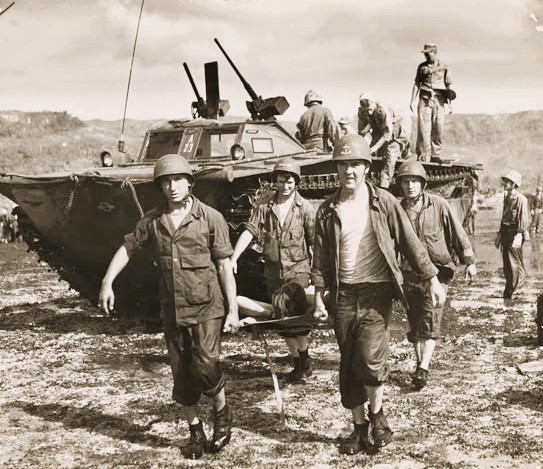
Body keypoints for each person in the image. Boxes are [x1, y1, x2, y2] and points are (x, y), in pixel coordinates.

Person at [98, 154, 239, 460]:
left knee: (206, 366)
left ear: (189, 183)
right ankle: (195, 431)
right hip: (173, 308)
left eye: (178, 180)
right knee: (182, 375)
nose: (172, 187)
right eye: (166, 182)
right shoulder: (153, 220)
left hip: (207, 307)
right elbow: (128, 247)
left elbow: (224, 266)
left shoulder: (210, 218)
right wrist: (107, 282)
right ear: (160, 187)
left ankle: (222, 414)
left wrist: (233, 310)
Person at [311, 134, 446, 454]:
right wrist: (318, 297)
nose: (349, 171)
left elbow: (410, 242)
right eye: (343, 164)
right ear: (336, 168)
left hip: (376, 293)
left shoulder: (384, 202)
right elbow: (320, 258)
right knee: (349, 364)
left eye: (356, 164)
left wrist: (432, 279)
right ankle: (359, 428)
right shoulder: (327, 209)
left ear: (366, 168)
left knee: (371, 361)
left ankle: (378, 416)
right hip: (344, 295)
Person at [231, 158, 316, 383]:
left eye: (289, 182)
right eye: (281, 181)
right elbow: (250, 231)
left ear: (296, 183)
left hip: (298, 271)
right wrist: (234, 257)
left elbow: (315, 242)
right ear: (275, 181)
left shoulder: (305, 208)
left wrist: (319, 273)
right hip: (273, 273)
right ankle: (300, 360)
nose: (285, 186)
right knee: (282, 319)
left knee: (294, 317)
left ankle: (302, 359)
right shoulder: (264, 206)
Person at [396, 161, 477, 389]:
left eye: (415, 181)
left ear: (423, 183)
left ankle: (423, 368)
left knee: (431, 319)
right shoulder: (397, 210)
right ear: (400, 184)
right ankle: (419, 363)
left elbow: (458, 233)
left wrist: (469, 261)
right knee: (415, 323)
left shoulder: (439, 205)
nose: (410, 185)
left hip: (439, 273)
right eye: (406, 181)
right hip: (409, 274)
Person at [409, 43, 454, 162]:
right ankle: (422, 155)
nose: (426, 56)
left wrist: (450, 104)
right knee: (423, 128)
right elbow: (417, 84)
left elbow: (448, 86)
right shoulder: (422, 67)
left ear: (434, 53)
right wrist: (412, 100)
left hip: (439, 100)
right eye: (425, 54)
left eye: (428, 54)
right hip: (425, 99)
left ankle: (435, 155)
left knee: (438, 128)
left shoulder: (444, 66)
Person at [357, 91, 409, 189]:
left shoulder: (382, 109)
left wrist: (375, 147)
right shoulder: (362, 111)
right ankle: (367, 182)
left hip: (395, 129)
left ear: (373, 103)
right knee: (371, 154)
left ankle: (384, 187)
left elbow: (387, 133)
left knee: (389, 156)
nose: (368, 112)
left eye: (370, 109)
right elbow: (361, 132)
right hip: (379, 128)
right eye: (366, 110)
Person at [495, 170, 530, 300]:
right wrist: (499, 234)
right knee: (507, 264)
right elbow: (504, 217)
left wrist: (519, 235)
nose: (505, 183)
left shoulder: (521, 199)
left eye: (508, 181)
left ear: (514, 184)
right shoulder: (507, 197)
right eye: (505, 181)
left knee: (514, 263)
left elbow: (523, 218)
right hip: (506, 232)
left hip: (515, 233)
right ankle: (509, 289)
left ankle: (513, 290)